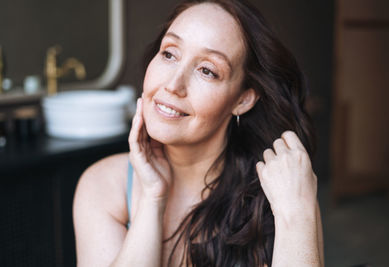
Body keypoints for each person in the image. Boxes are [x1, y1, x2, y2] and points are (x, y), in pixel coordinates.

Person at [73, 0, 324, 266]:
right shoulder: (103, 186)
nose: (173, 84)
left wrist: (296, 216)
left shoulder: (283, 194)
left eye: (207, 70)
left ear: (243, 99)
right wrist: (152, 199)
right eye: (169, 54)